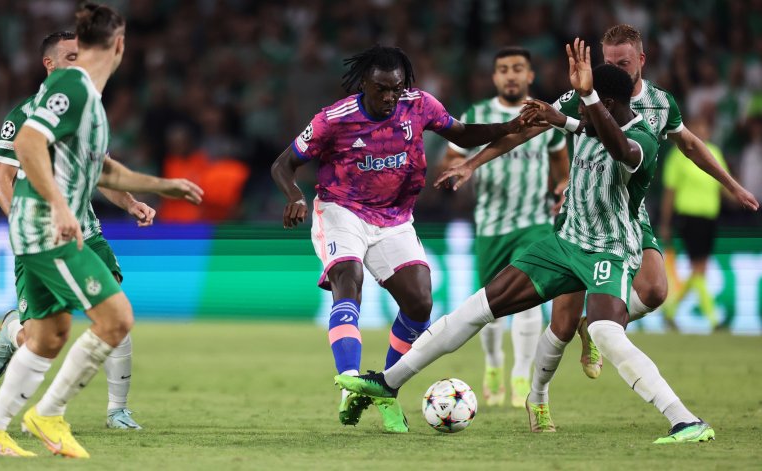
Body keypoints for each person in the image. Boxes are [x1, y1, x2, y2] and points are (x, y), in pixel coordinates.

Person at [338, 39, 716, 445]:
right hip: (563, 242)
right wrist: (556, 119)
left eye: (588, 103)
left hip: (608, 250)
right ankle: (388, 382)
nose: (580, 109)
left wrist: (584, 100)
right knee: (476, 309)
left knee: (605, 332)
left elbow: (618, 146)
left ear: (606, 103)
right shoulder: (593, 119)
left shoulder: (644, 139)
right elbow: (585, 126)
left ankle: (685, 420)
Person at [439, 24, 759, 432]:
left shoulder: (661, 104)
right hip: (583, 220)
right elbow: (527, 130)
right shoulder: (582, 95)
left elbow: (691, 145)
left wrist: (732, 185)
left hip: (630, 214)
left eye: (622, 63)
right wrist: (471, 163)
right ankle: (538, 396)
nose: (614, 70)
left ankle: (597, 327)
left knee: (655, 290)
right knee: (561, 325)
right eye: (608, 62)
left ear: (641, 60)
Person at [0, 3, 203, 458]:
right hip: (47, 228)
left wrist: (158, 187)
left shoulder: (89, 100)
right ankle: (49, 414)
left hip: (59, 227)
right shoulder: (71, 87)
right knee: (116, 318)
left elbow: (103, 170)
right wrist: (59, 207)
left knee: (49, 335)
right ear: (119, 46)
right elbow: (27, 143)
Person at [271, 45, 524, 433]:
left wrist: (508, 127)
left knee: (420, 302)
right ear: (364, 84)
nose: (390, 96)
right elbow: (283, 164)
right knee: (348, 277)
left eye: (397, 88)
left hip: (394, 218)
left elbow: (461, 133)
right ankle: (349, 386)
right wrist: (295, 196)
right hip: (342, 210)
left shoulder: (419, 105)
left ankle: (385, 389)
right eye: (381, 89)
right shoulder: (333, 119)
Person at [0, 30, 153, 431]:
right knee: (39, 338)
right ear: (50, 64)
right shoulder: (22, 116)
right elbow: (2, 178)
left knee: (116, 312)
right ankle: (12, 332)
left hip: (86, 235)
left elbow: (101, 173)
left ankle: (117, 410)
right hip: (40, 238)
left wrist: (130, 203)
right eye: (71, 56)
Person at [441, 46, 569, 408]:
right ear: (495, 77)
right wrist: (454, 168)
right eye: (503, 69)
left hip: (534, 223)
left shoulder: (546, 116)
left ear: (529, 75)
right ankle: (494, 364)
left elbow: (562, 171)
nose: (511, 75)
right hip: (491, 224)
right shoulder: (476, 115)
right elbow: (452, 156)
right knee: (490, 304)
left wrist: (563, 189)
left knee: (529, 298)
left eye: (517, 68)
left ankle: (521, 375)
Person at [660, 119, 730, 330]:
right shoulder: (678, 156)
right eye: (697, 129)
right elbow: (670, 192)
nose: (701, 132)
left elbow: (723, 182)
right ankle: (714, 319)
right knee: (699, 268)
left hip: (710, 217)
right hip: (689, 217)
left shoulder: (714, 152)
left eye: (704, 128)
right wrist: (665, 223)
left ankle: (670, 310)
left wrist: (740, 196)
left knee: (700, 269)